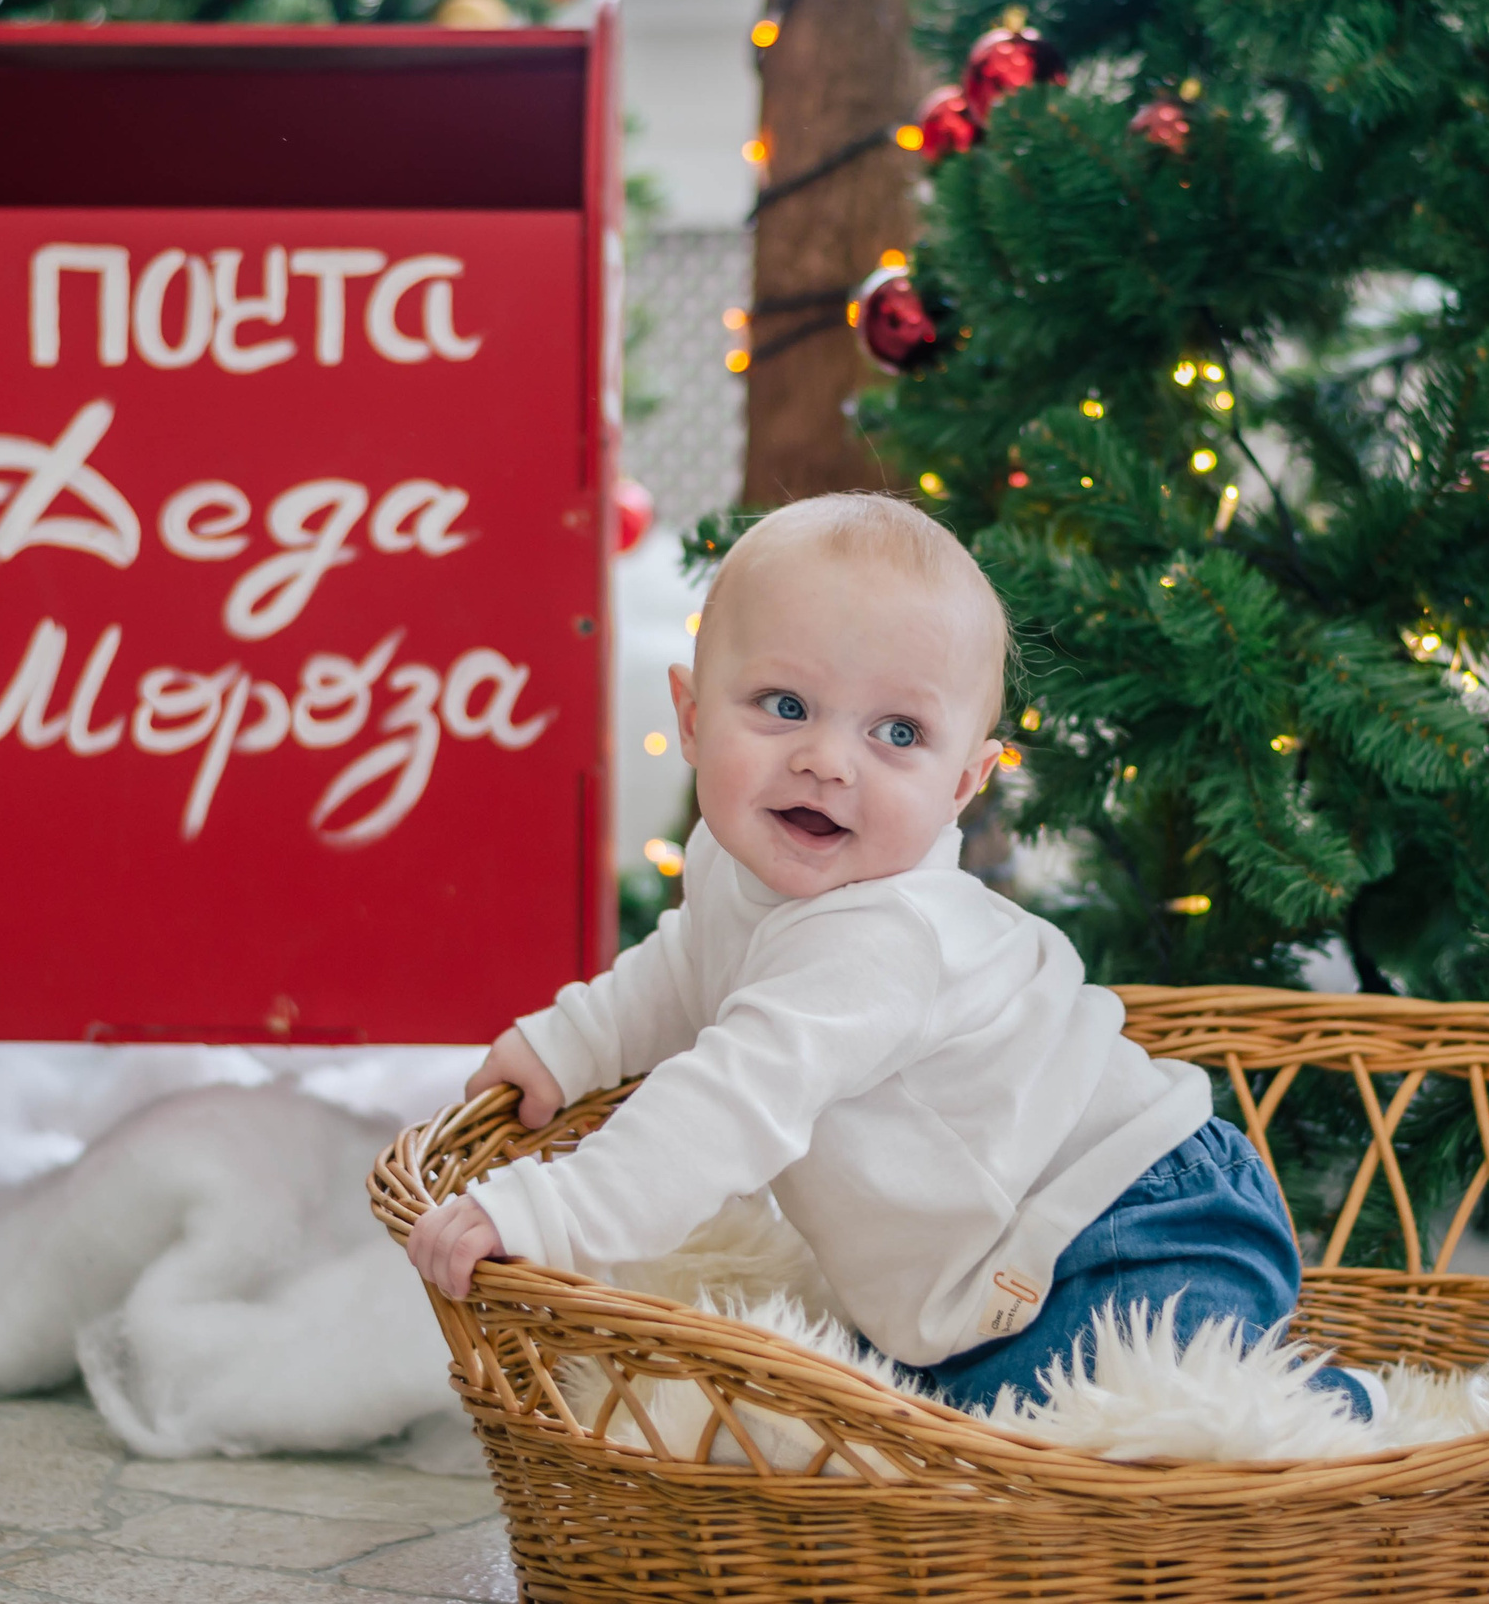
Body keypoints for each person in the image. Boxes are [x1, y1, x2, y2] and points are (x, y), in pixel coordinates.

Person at [404, 492, 1368, 1416]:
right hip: (995, 1256)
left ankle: (1329, 1427)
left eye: (896, 733)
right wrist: (569, 1045)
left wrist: (550, 1213)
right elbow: (687, 964)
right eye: (784, 705)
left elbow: (723, 1108)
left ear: (964, 780)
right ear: (693, 718)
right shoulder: (732, 858)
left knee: (1113, 1425)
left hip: (1128, 1225)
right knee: (926, 1434)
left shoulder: (881, 939)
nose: (828, 760)